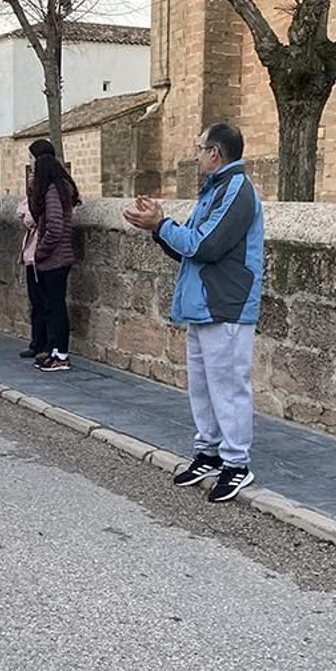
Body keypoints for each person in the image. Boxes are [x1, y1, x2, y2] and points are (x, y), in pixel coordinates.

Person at [123, 122, 264, 505]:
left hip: (226, 304)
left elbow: (205, 246)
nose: (196, 154)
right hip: (204, 303)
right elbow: (186, 246)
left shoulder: (237, 190)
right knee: (202, 385)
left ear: (215, 153)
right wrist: (159, 227)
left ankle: (237, 463)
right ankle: (209, 452)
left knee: (228, 387)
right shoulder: (215, 191)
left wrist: (161, 224)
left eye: (199, 148)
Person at [22, 139, 80, 372]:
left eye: (31, 159)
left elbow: (54, 226)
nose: (30, 163)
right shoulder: (55, 187)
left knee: (56, 307)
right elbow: (38, 214)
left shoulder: (54, 190)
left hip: (55, 258)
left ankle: (61, 355)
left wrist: (41, 250)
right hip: (55, 257)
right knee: (51, 306)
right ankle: (55, 351)